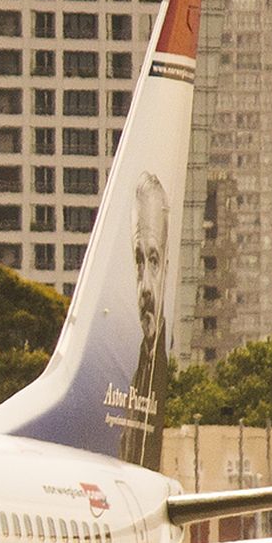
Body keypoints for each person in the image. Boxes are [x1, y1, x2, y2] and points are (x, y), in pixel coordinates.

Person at [118, 171, 169, 465]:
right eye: (139, 261)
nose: (145, 286)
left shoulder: (155, 363)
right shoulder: (137, 364)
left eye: (153, 261)